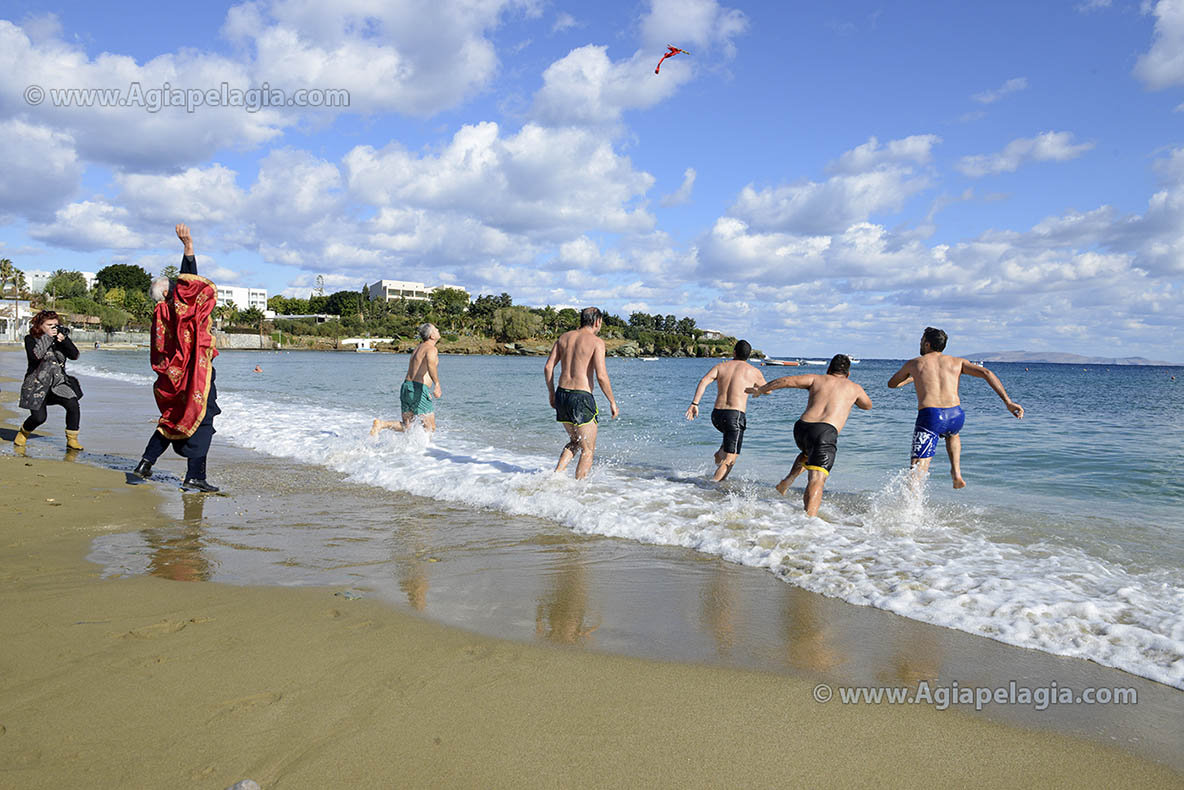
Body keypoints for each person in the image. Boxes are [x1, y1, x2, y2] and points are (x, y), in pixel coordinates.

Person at [132, 223, 222, 493]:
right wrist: (188, 248)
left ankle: (146, 462)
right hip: (194, 372)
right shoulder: (179, 311)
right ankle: (195, 476)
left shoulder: (159, 315)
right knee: (203, 419)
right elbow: (188, 285)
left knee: (173, 417)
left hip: (171, 377)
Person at [888, 327, 1023, 488]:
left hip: (930, 415)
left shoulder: (915, 363)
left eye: (922, 340)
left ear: (927, 344)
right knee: (953, 435)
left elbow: (892, 384)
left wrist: (913, 377)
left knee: (917, 468)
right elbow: (987, 373)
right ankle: (956, 473)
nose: (920, 342)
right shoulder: (957, 362)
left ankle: (913, 509)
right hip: (955, 415)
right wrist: (1008, 402)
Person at [747, 354, 872, 516]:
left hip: (801, 429)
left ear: (828, 370)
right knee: (817, 480)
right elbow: (867, 405)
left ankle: (786, 482)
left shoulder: (815, 379)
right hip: (825, 433)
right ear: (848, 374)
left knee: (808, 453)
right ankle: (809, 522)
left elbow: (786, 381)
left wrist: (762, 389)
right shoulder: (854, 387)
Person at [543, 307, 619, 479]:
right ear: (597, 321)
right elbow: (601, 376)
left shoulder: (563, 338)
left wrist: (551, 393)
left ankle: (555, 478)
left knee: (575, 442)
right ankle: (578, 492)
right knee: (587, 450)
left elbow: (548, 367)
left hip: (562, 395)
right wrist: (612, 401)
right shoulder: (597, 342)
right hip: (581, 398)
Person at [684, 340, 766, 481]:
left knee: (727, 443)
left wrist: (694, 403)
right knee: (730, 459)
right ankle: (710, 488)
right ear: (748, 355)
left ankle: (719, 455)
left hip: (717, 415)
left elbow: (704, 381)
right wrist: (756, 391)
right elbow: (767, 390)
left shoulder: (721, 366)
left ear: (734, 352)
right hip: (735, 416)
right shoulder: (753, 371)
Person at [14, 310, 84, 451]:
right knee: (39, 418)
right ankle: (23, 432)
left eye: (55, 325)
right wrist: (47, 338)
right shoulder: (30, 339)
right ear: (40, 325)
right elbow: (35, 356)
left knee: (73, 404)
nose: (54, 328)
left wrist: (65, 341)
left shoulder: (59, 339)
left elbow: (75, 355)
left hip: (57, 385)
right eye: (49, 325)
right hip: (36, 386)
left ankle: (72, 439)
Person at [371, 323, 442, 435]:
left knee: (407, 427)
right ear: (432, 336)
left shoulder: (418, 348)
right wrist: (437, 384)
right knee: (430, 427)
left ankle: (382, 424)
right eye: (435, 329)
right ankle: (425, 451)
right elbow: (431, 364)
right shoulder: (431, 349)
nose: (438, 330)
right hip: (418, 388)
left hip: (406, 387)